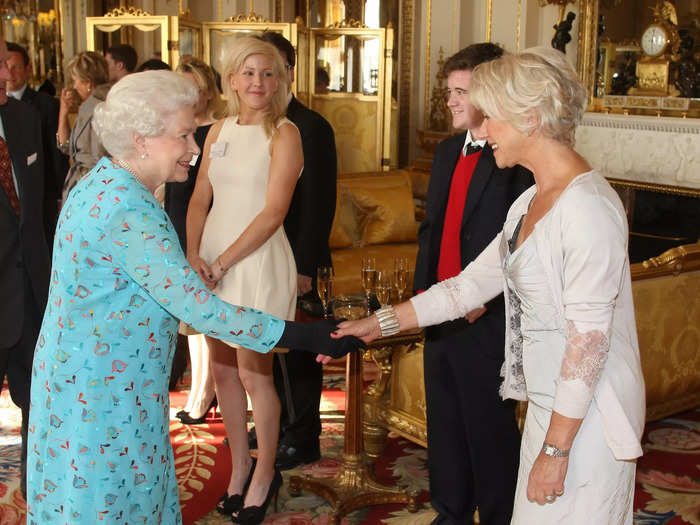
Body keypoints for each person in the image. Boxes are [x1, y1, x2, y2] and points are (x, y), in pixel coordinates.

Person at [26, 69, 362, 525]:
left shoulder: (107, 183)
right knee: (111, 504)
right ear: (140, 138)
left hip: (93, 377)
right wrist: (309, 337)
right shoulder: (127, 207)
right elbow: (199, 309)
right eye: (183, 135)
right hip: (103, 392)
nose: (195, 147)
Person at [330, 47, 645, 524]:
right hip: (549, 409)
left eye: (491, 115)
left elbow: (589, 343)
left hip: (589, 421)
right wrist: (380, 324)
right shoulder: (530, 202)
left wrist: (556, 453)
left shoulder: (588, 209)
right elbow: (467, 286)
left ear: (531, 118)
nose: (482, 128)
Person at [412, 43, 533, 525]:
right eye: (450, 92)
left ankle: (499, 515)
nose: (453, 102)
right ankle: (452, 510)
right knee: (444, 420)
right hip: (439, 308)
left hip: (486, 316)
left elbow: (523, 240)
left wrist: (490, 300)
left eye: (462, 92)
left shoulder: (515, 159)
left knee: (488, 427)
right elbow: (433, 229)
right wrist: (422, 296)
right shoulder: (444, 151)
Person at [186, 37, 302, 524]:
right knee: (224, 374)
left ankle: (264, 472)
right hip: (211, 264)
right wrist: (193, 256)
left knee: (256, 374)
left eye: (269, 73)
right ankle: (238, 468)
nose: (259, 82)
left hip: (254, 264)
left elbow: (274, 213)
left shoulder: (286, 132)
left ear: (280, 80)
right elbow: (197, 200)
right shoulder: (215, 132)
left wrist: (223, 261)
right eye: (249, 73)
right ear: (231, 80)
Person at [259, 31, 338, 472]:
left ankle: (303, 436)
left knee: (300, 353)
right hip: (262, 258)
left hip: (300, 260)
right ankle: (280, 422)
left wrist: (305, 268)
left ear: (288, 72)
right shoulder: (254, 125)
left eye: (271, 70)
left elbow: (320, 202)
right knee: (268, 348)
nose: (262, 80)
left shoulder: (312, 127)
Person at [0, 35, 51, 499]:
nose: (5, 75)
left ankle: (37, 489)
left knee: (38, 400)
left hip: (33, 293)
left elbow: (40, 211)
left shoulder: (24, 118)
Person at [165, 57, 227, 425]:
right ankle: (199, 390)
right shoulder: (175, 130)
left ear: (207, 90)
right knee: (188, 319)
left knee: (203, 317)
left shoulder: (218, 132)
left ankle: (206, 392)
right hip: (176, 225)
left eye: (193, 87)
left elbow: (211, 194)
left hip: (206, 230)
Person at [6, 42, 69, 242]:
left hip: (42, 196)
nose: (9, 73)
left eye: (15, 67)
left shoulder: (46, 104)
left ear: (28, 69)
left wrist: (60, 195)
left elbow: (55, 153)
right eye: (5, 66)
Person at [57, 51, 110, 202]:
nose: (74, 86)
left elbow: (100, 158)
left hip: (93, 190)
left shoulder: (98, 107)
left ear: (88, 82)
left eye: (76, 80)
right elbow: (65, 146)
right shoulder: (89, 106)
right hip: (87, 185)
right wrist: (63, 112)